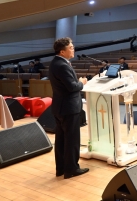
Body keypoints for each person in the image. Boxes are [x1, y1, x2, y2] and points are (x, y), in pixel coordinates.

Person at [49, 37, 89, 179]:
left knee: (61, 140)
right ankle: (71, 169)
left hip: (60, 107)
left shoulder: (55, 63)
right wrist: (81, 82)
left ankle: (61, 168)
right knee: (71, 140)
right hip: (69, 108)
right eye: (70, 48)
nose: (73, 49)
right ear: (62, 51)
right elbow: (72, 87)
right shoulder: (63, 65)